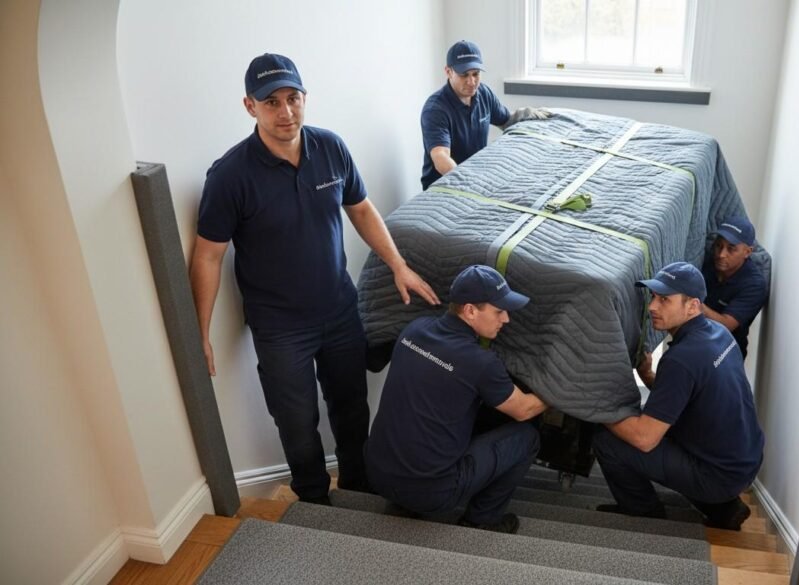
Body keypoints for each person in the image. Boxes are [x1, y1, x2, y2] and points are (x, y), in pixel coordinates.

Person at [190, 53, 440, 505]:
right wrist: (200, 332)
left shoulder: (331, 148)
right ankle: (313, 502)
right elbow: (207, 256)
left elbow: (361, 209)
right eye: (272, 103)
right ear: (250, 106)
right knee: (296, 420)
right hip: (280, 327)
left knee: (351, 407)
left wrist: (399, 264)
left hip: (340, 311)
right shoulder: (230, 175)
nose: (285, 112)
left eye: (293, 98)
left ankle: (359, 485)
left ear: (305, 98)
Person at [365, 265, 548, 534]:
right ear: (470, 310)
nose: (506, 319)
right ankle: (482, 519)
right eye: (499, 311)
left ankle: (402, 502)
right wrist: (559, 393)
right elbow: (524, 410)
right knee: (527, 436)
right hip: (432, 494)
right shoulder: (481, 363)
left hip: (377, 476)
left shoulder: (413, 331)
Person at [592, 262, 764, 530]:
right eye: (652, 297)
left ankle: (644, 514)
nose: (651, 307)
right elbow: (692, 393)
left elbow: (645, 439)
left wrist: (595, 409)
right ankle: (723, 508)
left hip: (719, 474)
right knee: (657, 420)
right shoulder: (718, 333)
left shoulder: (681, 359)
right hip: (745, 459)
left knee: (608, 441)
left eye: (664, 300)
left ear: (693, 306)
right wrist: (649, 376)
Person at [420, 40, 549, 190]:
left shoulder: (483, 93)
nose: (471, 81)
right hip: (444, 185)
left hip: (476, 176)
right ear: (448, 72)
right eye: (464, 75)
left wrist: (525, 114)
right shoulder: (435, 110)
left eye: (476, 74)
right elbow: (441, 156)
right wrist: (465, 181)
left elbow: (505, 121)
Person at [701, 216, 768, 359]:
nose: (721, 254)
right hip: (695, 339)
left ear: (747, 252)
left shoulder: (754, 285)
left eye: (731, 249)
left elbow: (725, 325)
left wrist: (691, 302)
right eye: (719, 245)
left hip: (725, 353)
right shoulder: (706, 259)